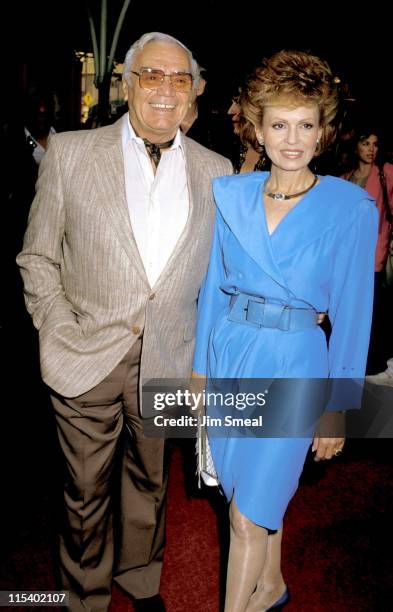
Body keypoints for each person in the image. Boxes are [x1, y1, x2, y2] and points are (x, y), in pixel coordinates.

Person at [17, 32, 232, 612]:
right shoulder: (71, 153)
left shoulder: (219, 171)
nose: (166, 90)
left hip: (172, 360)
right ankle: (83, 595)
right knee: (84, 492)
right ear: (126, 82)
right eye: (152, 75)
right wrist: (56, 331)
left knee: (150, 484)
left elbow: (220, 276)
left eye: (179, 79)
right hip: (86, 353)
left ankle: (141, 581)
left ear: (196, 94)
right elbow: (37, 256)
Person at [193, 49, 378, 611]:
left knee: (247, 517)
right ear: (257, 126)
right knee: (241, 492)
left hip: (297, 362)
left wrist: (337, 406)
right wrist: (200, 371)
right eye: (279, 124)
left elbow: (354, 313)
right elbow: (212, 291)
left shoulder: (350, 207)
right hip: (231, 353)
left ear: (323, 132)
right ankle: (270, 586)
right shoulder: (231, 194)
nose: (291, 139)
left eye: (305, 125)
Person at [342, 127, 393, 376]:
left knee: (372, 309)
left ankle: (373, 361)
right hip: (348, 256)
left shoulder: (386, 173)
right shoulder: (346, 178)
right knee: (349, 308)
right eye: (366, 143)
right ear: (356, 147)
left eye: (375, 144)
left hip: (374, 252)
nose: (372, 149)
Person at [227, 91, 267, 173]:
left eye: (238, 103)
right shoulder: (230, 147)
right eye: (232, 103)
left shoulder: (275, 153)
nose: (230, 111)